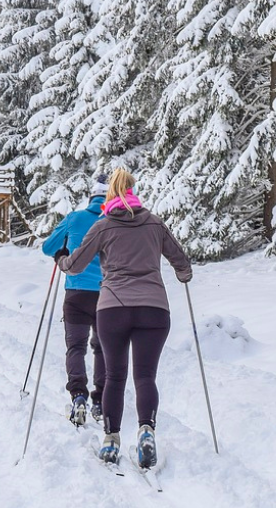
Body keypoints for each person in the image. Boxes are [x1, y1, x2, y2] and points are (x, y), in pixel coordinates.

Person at [54, 168, 192, 471]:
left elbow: (75, 265)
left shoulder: (103, 226)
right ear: (132, 191)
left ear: (110, 194)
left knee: (116, 377)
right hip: (154, 309)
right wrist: (183, 275)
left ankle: (111, 440)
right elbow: (181, 262)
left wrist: (61, 260)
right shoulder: (155, 223)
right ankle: (146, 430)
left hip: (113, 308)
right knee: (145, 377)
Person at [40, 174, 109, 427]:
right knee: (102, 348)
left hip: (76, 293)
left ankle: (78, 395)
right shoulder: (114, 221)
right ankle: (100, 401)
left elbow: (48, 248)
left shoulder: (75, 218)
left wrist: (63, 251)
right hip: (107, 295)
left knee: (76, 347)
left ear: (91, 198)